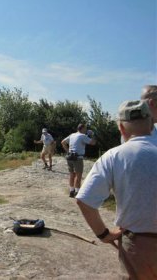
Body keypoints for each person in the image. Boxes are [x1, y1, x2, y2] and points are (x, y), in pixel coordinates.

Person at [76, 100, 157, 279]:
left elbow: (84, 200)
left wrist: (104, 234)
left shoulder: (114, 156)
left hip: (138, 247)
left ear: (121, 128)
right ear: (151, 124)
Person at [61, 123, 96, 197]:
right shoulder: (82, 136)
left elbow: (63, 142)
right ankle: (77, 192)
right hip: (78, 158)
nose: (86, 130)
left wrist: (68, 151)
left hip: (70, 157)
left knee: (71, 174)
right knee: (78, 175)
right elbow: (93, 143)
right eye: (85, 129)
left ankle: (71, 191)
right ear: (82, 128)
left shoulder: (72, 135)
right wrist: (92, 135)